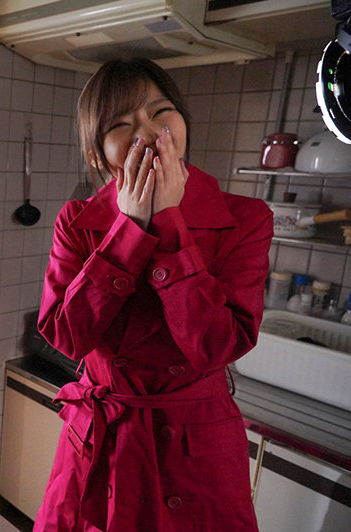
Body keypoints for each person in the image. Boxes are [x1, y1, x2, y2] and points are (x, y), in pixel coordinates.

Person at [35, 58, 273, 531]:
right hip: (103, 436)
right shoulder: (77, 221)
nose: (147, 132)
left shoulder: (245, 218)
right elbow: (65, 335)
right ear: (99, 155)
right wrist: (129, 229)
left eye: (160, 111)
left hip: (194, 443)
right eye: (120, 125)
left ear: (182, 120)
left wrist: (168, 222)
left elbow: (219, 345)